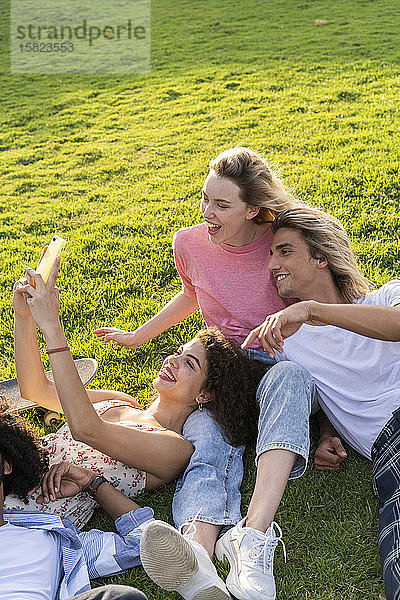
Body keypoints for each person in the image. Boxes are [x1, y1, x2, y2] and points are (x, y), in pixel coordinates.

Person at [94, 147, 305, 600]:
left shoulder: (282, 241)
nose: (207, 212)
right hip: (220, 365)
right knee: (204, 438)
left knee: (287, 382)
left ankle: (250, 536)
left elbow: (324, 305)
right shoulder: (189, 242)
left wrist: (324, 425)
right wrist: (138, 335)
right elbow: (193, 294)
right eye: (204, 198)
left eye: (222, 205)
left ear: (253, 208)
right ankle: (198, 552)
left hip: (278, 359)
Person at [7, 261, 259, 528]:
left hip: (26, 513)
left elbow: (86, 429)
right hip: (14, 466)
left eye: (189, 364)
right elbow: (36, 390)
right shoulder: (122, 401)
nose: (173, 361)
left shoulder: (175, 449)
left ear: (205, 394)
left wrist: (52, 327)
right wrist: (23, 316)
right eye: (178, 352)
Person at [0, 402, 150, 599]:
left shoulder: (52, 537)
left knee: (123, 597)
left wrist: (92, 482)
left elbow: (145, 543)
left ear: (5, 465)